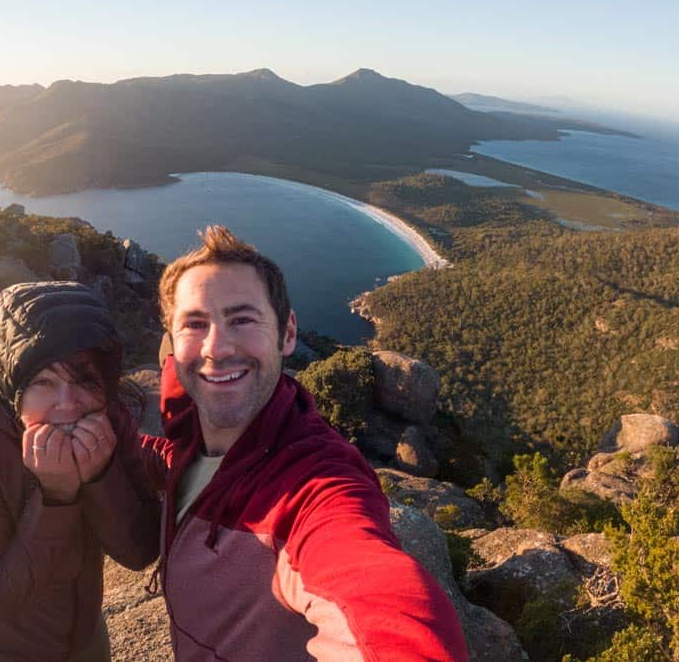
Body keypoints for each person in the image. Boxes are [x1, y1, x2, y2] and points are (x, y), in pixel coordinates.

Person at [138, 226, 468, 661]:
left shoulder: (315, 481)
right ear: (173, 342)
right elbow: (185, 460)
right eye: (195, 324)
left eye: (242, 319)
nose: (216, 347)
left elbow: (374, 592)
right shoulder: (187, 426)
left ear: (287, 333)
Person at [0, 281, 160, 661]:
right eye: (43, 382)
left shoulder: (107, 415)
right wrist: (56, 497)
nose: (67, 405)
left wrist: (101, 476)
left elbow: (139, 551)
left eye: (84, 379)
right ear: (11, 382)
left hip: (80, 629)